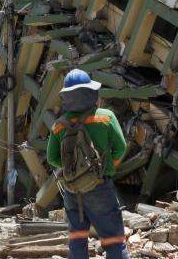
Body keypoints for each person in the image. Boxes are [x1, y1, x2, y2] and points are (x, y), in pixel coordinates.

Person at [47, 69, 129, 259]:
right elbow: (121, 147)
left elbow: (52, 158)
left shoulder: (59, 124)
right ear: (91, 92)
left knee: (77, 237)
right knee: (113, 239)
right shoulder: (105, 117)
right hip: (100, 186)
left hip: (72, 189)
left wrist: (73, 170)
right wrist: (107, 167)